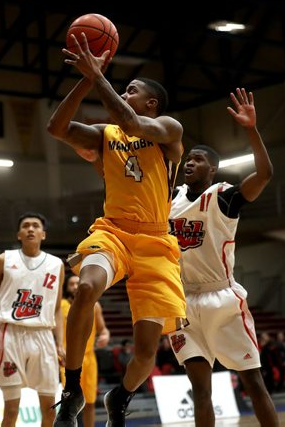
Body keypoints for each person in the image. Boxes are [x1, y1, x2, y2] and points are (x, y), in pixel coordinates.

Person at [47, 32, 187, 426]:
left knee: (146, 351)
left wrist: (99, 76)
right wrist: (87, 80)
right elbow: (56, 128)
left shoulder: (168, 130)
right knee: (87, 287)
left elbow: (130, 120)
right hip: (113, 232)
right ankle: (72, 390)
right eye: (122, 88)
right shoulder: (105, 136)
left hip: (157, 242)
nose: (124, 94)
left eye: (132, 89)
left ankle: (120, 397)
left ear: (152, 103)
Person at [167, 87, 279, 427]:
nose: (190, 163)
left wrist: (250, 129)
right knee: (200, 390)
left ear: (212, 169)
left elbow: (264, 175)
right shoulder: (170, 200)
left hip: (223, 298)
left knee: (253, 383)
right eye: (189, 159)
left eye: (198, 160)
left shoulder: (224, 197)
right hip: (183, 302)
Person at [0, 212, 65, 427]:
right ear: (19, 234)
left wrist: (61, 343)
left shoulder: (56, 265)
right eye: (26, 226)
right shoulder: (4, 260)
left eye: (36, 226)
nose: (30, 229)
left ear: (43, 234)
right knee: (11, 410)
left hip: (43, 335)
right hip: (11, 334)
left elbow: (56, 308)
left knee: (50, 410)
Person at [60, 274, 110, 427]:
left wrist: (104, 336)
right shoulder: (59, 305)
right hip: (66, 359)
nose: (75, 286)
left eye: (78, 283)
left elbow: (103, 330)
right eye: (72, 284)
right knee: (69, 402)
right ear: (67, 287)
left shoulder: (94, 306)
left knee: (90, 402)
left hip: (89, 358)